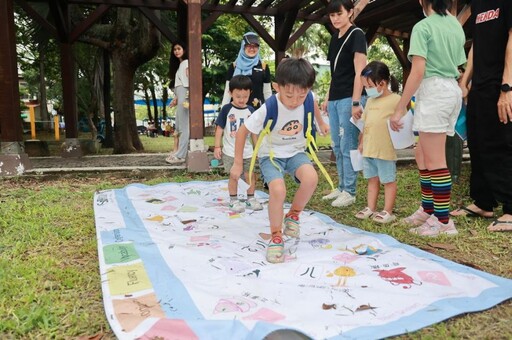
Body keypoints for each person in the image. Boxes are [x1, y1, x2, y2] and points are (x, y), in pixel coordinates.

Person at [230, 58, 323, 263]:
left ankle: (294, 215)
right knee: (278, 190)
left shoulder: (307, 98)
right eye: (289, 94)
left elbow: (313, 102)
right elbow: (242, 131)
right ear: (276, 87)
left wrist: (322, 124)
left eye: (302, 94)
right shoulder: (269, 107)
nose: (295, 100)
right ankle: (276, 236)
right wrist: (238, 163)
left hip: (295, 151)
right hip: (271, 155)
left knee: (311, 179)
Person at [389, 0, 466, 236]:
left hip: (434, 90)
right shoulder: (455, 25)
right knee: (422, 152)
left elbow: (418, 70)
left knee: (434, 159)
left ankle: (442, 221)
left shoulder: (423, 27)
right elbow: (459, 63)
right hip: (449, 90)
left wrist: (400, 107)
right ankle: (428, 209)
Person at [450, 0, 512, 232]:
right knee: (476, 142)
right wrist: (465, 81)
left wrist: (507, 87)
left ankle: (510, 208)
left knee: (501, 144)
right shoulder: (477, 5)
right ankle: (483, 202)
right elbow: (477, 43)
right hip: (480, 86)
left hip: (502, 84)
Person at [321, 0, 368, 208]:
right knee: (337, 146)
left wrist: (356, 101)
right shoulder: (334, 37)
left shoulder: (357, 34)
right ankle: (341, 187)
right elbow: (335, 72)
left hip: (350, 97)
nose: (335, 18)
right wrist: (327, 97)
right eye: (332, 15)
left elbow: (360, 70)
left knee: (348, 145)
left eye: (339, 14)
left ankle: (350, 191)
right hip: (335, 98)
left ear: (350, 12)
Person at [354, 61, 401, 224]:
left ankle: (388, 211)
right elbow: (365, 125)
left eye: (369, 86)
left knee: (388, 180)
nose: (367, 90)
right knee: (372, 179)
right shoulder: (370, 101)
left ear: (382, 83)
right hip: (369, 149)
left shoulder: (396, 100)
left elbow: (403, 123)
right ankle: (370, 207)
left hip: (385, 150)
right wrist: (361, 142)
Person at [214, 75, 263, 213]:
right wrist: (217, 146)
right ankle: (233, 200)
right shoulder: (226, 109)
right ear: (230, 93)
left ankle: (251, 198)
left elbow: (254, 132)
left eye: (245, 96)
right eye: (238, 96)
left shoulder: (251, 111)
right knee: (234, 176)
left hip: (247, 151)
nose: (241, 100)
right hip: (230, 151)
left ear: (250, 94)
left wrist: (257, 149)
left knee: (250, 174)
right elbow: (219, 129)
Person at [221, 32, 272, 110]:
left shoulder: (263, 67)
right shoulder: (234, 66)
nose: (252, 49)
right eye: (248, 46)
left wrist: (271, 110)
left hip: (257, 112)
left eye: (255, 46)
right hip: (236, 112)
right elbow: (228, 92)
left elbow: (267, 92)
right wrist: (223, 111)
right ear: (243, 47)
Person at [166, 41, 189, 164]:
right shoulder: (180, 65)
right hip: (181, 95)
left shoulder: (186, 63)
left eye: (179, 48)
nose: (176, 51)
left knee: (184, 126)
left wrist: (186, 98)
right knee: (180, 125)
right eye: (174, 49)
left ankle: (181, 155)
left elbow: (188, 82)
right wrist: (176, 98)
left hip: (185, 95)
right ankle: (178, 152)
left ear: (184, 50)